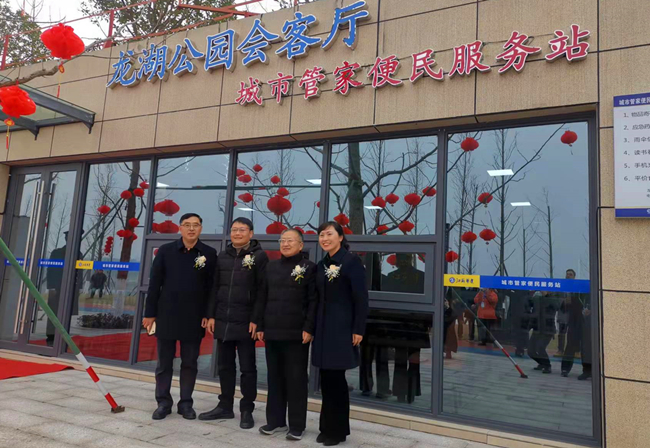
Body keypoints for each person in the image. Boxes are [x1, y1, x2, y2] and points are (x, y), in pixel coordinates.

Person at [143, 213, 216, 420]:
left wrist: (209, 314)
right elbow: (154, 284)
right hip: (166, 314)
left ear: (201, 228)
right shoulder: (166, 251)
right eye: (187, 225)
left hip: (194, 317)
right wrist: (150, 314)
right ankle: (163, 403)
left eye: (195, 225)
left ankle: (186, 404)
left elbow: (212, 288)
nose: (191, 229)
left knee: (190, 363)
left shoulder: (209, 253)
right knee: (164, 363)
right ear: (180, 228)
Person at [201, 217, 268, 429]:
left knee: (248, 368)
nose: (237, 233)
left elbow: (262, 291)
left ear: (251, 233)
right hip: (223, 319)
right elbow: (214, 287)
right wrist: (211, 315)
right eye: (234, 229)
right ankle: (225, 406)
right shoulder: (223, 255)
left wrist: (256, 319)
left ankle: (247, 409)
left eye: (242, 229)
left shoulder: (259, 256)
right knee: (225, 366)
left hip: (246, 321)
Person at [255, 229, 317, 441]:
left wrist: (309, 328)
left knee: (296, 380)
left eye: (291, 241)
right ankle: (275, 421)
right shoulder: (271, 267)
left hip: (296, 334)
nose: (286, 244)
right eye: (283, 240)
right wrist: (260, 325)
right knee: (274, 378)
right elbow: (262, 297)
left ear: (301, 245)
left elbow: (313, 301)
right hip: (272, 331)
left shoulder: (309, 268)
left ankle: (297, 425)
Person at [312, 221, 368, 446]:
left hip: (342, 328)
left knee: (336, 380)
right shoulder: (321, 264)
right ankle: (326, 427)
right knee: (326, 379)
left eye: (329, 234)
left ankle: (338, 431)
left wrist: (358, 329)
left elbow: (361, 299)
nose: (324, 239)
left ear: (341, 237)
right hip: (323, 327)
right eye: (321, 235)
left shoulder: (352, 262)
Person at [561, 269, 592, 380]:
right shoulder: (564, 289)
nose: (568, 276)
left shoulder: (580, 288)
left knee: (586, 346)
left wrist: (589, 309)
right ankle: (565, 369)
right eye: (567, 274)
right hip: (572, 321)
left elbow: (588, 300)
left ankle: (587, 370)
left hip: (583, 320)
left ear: (574, 277)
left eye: (570, 274)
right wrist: (564, 303)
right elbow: (562, 309)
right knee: (570, 345)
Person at [527, 290, 559, 374]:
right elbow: (534, 313)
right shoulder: (537, 298)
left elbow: (556, 306)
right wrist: (529, 326)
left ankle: (547, 365)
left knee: (540, 347)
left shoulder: (553, 298)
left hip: (548, 329)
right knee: (530, 351)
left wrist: (547, 296)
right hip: (537, 328)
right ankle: (542, 363)